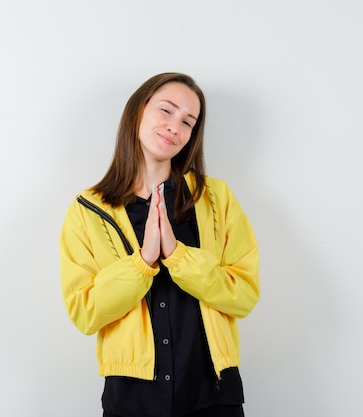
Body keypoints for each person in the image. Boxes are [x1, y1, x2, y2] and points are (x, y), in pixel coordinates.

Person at [59, 72, 260, 417]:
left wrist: (178, 256)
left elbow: (243, 294)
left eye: (188, 122)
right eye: (166, 110)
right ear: (138, 110)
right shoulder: (87, 210)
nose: (175, 127)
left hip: (213, 395)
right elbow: (86, 311)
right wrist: (144, 261)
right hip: (133, 399)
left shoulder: (215, 199)